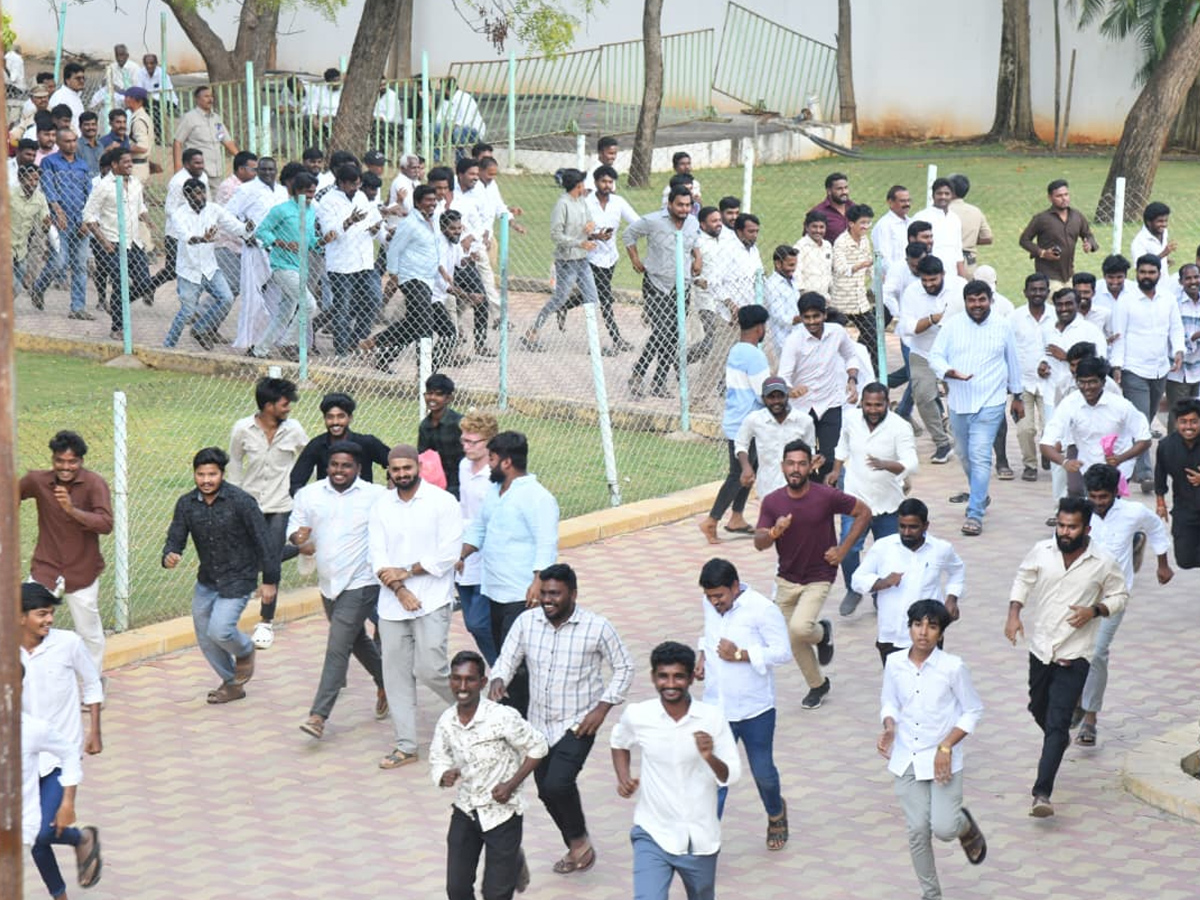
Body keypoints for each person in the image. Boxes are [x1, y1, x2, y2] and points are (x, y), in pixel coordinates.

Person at [489, 563, 633, 875]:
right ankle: (577, 845)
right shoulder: (527, 622)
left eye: (555, 594)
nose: (547, 600)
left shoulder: (597, 627)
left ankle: (579, 841)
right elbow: (507, 658)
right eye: (544, 594)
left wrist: (603, 707)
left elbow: (625, 667)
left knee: (558, 783)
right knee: (545, 791)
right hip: (539, 723)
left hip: (580, 722)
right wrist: (498, 678)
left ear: (573, 595)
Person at [1006, 497, 1128, 817]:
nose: (1064, 531)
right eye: (1061, 525)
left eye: (1072, 527)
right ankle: (1058, 739)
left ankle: (1042, 794)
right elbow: (1023, 578)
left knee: (1058, 723)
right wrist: (1014, 612)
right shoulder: (1041, 551)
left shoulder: (1102, 561)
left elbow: (1119, 595)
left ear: (1086, 528)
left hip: (1077, 654)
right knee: (1039, 710)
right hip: (1041, 649)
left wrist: (1095, 610)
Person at [610, 641, 740, 900]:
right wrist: (623, 778)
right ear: (653, 678)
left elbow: (731, 775)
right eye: (663, 676)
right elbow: (618, 741)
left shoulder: (711, 718)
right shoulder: (638, 715)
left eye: (678, 676)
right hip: (652, 832)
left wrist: (709, 756)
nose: (670, 684)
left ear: (692, 678)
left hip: (700, 839)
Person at [878, 599, 986, 900]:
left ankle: (964, 826)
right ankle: (931, 894)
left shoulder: (953, 667)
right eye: (917, 625)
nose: (923, 632)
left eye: (932, 626)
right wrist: (889, 726)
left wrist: (947, 746)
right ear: (910, 627)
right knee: (916, 831)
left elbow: (972, 711)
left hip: (942, 760)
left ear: (940, 632)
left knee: (944, 828)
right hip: (906, 759)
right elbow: (889, 701)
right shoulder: (894, 663)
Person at [754, 439, 871, 709]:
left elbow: (864, 512)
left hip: (819, 575)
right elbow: (759, 543)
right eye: (791, 463)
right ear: (783, 467)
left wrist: (842, 551)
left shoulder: (824, 496)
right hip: (786, 579)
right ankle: (818, 684)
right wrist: (774, 532)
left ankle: (821, 634)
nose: (796, 469)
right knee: (791, 639)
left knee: (799, 628)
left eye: (802, 464)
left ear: (811, 466)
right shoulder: (773, 502)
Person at [369, 443, 462, 768]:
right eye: (396, 470)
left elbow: (450, 553)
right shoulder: (381, 506)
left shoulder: (442, 502)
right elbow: (376, 557)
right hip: (392, 604)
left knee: (430, 668)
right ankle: (406, 745)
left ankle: (472, 711)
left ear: (418, 468)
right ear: (390, 473)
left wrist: (408, 572)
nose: (402, 474)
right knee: (394, 675)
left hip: (433, 599)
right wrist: (399, 589)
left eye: (407, 468)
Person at [290, 441, 389, 739]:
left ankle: (318, 715)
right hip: (328, 585)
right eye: (334, 464)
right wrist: (299, 539)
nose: (339, 470)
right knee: (356, 639)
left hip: (362, 583)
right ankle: (389, 683)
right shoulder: (310, 495)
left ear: (358, 468)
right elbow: (296, 531)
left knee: (338, 645)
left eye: (346, 465)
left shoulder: (376, 496)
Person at [430, 650, 548, 900]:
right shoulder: (446, 721)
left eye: (470, 679)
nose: (462, 686)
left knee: (495, 894)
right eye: (456, 679)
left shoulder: (501, 717)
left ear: (482, 683)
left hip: (502, 813)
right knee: (457, 890)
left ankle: (511, 860)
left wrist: (511, 784)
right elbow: (438, 757)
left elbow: (538, 746)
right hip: (466, 809)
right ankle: (513, 860)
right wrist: (444, 774)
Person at [162, 447, 276, 703]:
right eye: (200, 474)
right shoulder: (187, 504)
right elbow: (175, 538)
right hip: (208, 580)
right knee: (205, 636)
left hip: (239, 578)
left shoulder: (241, 502)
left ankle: (245, 650)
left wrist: (270, 580)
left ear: (222, 474)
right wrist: (170, 554)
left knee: (221, 631)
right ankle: (232, 682)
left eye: (211, 474)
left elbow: (264, 542)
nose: (206, 480)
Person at [460, 431, 560, 718]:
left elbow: (546, 542)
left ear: (505, 462)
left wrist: (538, 581)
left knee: (517, 658)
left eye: (491, 459)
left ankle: (517, 715)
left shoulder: (537, 497)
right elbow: (480, 527)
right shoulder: (495, 492)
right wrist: (463, 554)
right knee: (503, 651)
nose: (487, 464)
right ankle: (513, 705)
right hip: (493, 588)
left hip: (521, 593)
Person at [1072, 464, 1172, 748]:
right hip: (1080, 592)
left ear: (1115, 492)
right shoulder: (1080, 511)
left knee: (1097, 652)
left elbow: (1156, 527)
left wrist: (1163, 564)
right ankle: (1077, 699)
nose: (1099, 502)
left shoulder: (1133, 512)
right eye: (1094, 496)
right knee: (1073, 649)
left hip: (1115, 595)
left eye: (1104, 497)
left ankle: (1090, 717)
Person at [696, 559, 791, 850]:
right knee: (716, 776)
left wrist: (741, 654)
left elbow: (782, 652)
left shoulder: (763, 609)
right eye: (710, 597)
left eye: (720, 597)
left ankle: (776, 812)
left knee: (763, 772)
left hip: (755, 709)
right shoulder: (709, 604)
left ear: (735, 587)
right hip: (717, 708)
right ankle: (706, 841)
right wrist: (702, 656)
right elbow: (709, 633)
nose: (715, 603)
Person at [20, 581, 105, 897]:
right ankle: (64, 884)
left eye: (51, 614)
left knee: (41, 833)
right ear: (20, 617)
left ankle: (79, 840)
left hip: (61, 752)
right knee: (33, 834)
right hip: (28, 756)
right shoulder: (7, 652)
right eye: (42, 614)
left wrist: (95, 730)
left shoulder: (68, 644)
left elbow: (92, 684)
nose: (49, 620)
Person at [929, 279, 1025, 536]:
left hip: (991, 401)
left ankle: (974, 513)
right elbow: (935, 356)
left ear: (990, 300)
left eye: (982, 300)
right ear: (966, 302)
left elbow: (1013, 362)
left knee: (981, 454)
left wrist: (1017, 396)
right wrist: (949, 372)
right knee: (964, 453)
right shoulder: (952, 326)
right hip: (959, 401)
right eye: (972, 300)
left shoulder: (1003, 327)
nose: (977, 305)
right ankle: (979, 493)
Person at [19, 430, 113, 676]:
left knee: (89, 633)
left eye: (72, 462)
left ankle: (94, 684)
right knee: (27, 621)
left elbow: (105, 524)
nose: (65, 467)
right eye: (59, 461)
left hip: (82, 571)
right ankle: (30, 681)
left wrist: (71, 510)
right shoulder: (38, 481)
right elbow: (11, 495)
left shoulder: (94, 484)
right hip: (45, 568)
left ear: (81, 461)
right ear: (53, 460)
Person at [228, 377, 308, 648]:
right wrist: (234, 497)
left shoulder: (294, 429)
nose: (289, 409)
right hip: (250, 503)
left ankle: (265, 622)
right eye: (285, 404)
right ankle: (303, 548)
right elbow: (236, 462)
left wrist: (302, 490)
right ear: (268, 405)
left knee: (270, 563)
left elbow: (307, 456)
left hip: (282, 503)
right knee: (255, 558)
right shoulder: (242, 428)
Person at [826, 382, 919, 615]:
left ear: (887, 403)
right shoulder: (851, 420)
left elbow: (912, 463)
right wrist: (836, 470)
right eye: (868, 404)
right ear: (862, 404)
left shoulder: (900, 427)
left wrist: (887, 465)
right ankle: (854, 588)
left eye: (879, 405)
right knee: (847, 548)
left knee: (887, 553)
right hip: (855, 501)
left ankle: (881, 593)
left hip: (888, 504)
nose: (873, 409)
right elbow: (842, 446)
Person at [853, 497, 965, 658]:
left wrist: (952, 598)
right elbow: (857, 580)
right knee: (896, 682)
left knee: (929, 681)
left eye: (913, 527)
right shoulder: (883, 547)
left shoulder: (941, 549)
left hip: (929, 634)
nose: (906, 532)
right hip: (891, 634)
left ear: (926, 526)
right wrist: (883, 583)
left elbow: (957, 570)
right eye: (902, 526)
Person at [1111, 254, 1186, 491]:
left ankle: (1131, 458)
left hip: (1160, 368)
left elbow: (1175, 327)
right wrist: (1117, 366)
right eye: (1142, 272)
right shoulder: (1126, 300)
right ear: (1136, 273)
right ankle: (1144, 473)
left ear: (1158, 274)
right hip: (1134, 368)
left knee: (1149, 415)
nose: (1146, 277)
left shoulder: (1168, 299)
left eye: (1151, 273)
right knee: (1142, 419)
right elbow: (1118, 335)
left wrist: (1179, 350)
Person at [699, 305, 770, 543]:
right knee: (738, 474)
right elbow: (764, 393)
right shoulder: (756, 355)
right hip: (747, 422)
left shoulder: (737, 350)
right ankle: (712, 520)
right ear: (760, 328)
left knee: (751, 469)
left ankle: (737, 516)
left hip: (736, 417)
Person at [624, 185, 701, 399]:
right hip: (656, 284)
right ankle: (638, 374)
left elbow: (694, 242)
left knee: (674, 334)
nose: (684, 209)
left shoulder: (693, 222)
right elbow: (628, 235)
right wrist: (635, 260)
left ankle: (659, 382)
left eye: (688, 205)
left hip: (682, 285)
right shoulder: (653, 221)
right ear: (670, 204)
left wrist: (698, 258)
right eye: (680, 205)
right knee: (662, 331)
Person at [1039, 355, 1152, 501]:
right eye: (1082, 382)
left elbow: (1145, 439)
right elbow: (1045, 444)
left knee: (1111, 511)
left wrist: (1120, 459)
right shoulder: (1069, 404)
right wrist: (1065, 462)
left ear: (1103, 382)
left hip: (1119, 470)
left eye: (1092, 382)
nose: (1087, 388)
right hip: (1088, 470)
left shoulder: (1121, 405)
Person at [777, 292, 861, 479]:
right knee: (802, 460)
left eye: (816, 316)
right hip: (802, 408)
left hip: (830, 403)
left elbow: (851, 356)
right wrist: (791, 390)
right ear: (801, 317)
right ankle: (808, 501)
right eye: (806, 317)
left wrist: (852, 380)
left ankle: (827, 502)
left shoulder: (837, 333)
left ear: (824, 314)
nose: (812, 322)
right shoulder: (794, 341)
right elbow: (783, 376)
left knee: (829, 460)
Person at [161, 177, 248, 350]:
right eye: (197, 194)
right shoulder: (179, 214)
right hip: (189, 270)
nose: (202, 197)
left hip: (210, 268)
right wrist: (203, 238)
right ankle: (168, 346)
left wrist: (248, 228)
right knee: (187, 311)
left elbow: (235, 226)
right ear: (187, 195)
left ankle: (200, 329)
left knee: (227, 298)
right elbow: (187, 237)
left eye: (203, 193)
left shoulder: (213, 210)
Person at [251, 171, 330, 359]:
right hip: (282, 265)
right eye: (307, 192)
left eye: (313, 192)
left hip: (300, 266)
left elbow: (310, 241)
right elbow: (261, 231)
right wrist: (281, 243)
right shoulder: (281, 210)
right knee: (309, 304)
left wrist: (323, 241)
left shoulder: (310, 212)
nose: (311, 196)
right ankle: (287, 343)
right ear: (296, 191)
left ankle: (259, 350)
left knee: (284, 314)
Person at [521, 168, 599, 352]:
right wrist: (579, 243)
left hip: (582, 259)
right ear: (577, 185)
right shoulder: (562, 204)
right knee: (559, 299)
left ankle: (593, 341)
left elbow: (590, 219)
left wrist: (591, 225)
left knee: (592, 298)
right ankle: (533, 330)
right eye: (582, 183)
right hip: (567, 260)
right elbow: (556, 235)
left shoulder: (581, 201)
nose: (584, 187)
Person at [83, 147, 156, 338]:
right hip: (113, 242)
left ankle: (116, 304)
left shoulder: (135, 184)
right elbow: (88, 215)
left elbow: (141, 207)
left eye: (130, 161)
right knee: (120, 282)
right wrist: (104, 241)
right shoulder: (104, 186)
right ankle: (117, 327)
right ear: (114, 165)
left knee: (144, 284)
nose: (130, 164)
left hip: (134, 242)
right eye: (125, 162)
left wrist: (148, 220)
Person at [370, 184, 441, 372]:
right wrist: (393, 274)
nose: (432, 204)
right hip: (411, 278)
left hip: (428, 278)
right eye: (428, 200)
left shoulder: (434, 221)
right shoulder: (409, 224)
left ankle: (380, 348)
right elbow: (394, 248)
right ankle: (424, 369)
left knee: (414, 322)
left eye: (434, 200)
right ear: (418, 203)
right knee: (425, 323)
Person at [317, 162, 384, 355]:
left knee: (374, 299)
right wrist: (348, 222)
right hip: (341, 263)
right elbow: (329, 232)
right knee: (343, 306)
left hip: (364, 260)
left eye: (358, 184)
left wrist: (374, 229)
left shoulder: (361, 197)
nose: (356, 188)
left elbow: (370, 222)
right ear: (341, 182)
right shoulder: (328, 201)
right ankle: (341, 350)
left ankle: (355, 340)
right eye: (352, 185)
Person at [575, 164, 639, 353]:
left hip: (610, 258)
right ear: (595, 183)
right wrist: (595, 236)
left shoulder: (618, 202)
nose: (607, 185)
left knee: (592, 296)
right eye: (603, 181)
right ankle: (615, 339)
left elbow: (637, 222)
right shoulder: (585, 203)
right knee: (605, 298)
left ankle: (560, 306)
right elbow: (574, 232)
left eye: (610, 182)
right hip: (589, 257)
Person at [33, 127, 93, 320]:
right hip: (59, 221)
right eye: (67, 141)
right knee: (59, 261)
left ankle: (77, 307)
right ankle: (39, 287)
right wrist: (58, 212)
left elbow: (89, 194)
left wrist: (87, 219)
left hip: (80, 220)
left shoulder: (82, 165)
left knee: (80, 265)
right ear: (58, 143)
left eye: (74, 140)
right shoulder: (49, 162)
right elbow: (48, 188)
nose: (72, 144)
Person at [456, 411, 501, 663]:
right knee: (471, 620)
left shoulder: (495, 475)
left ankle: (500, 666)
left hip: (487, 554)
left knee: (478, 621)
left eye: (474, 442)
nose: (467, 447)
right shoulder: (463, 466)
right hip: (464, 551)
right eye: (464, 441)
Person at [734, 375, 816, 502]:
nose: (776, 401)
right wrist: (746, 467)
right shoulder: (754, 419)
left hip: (797, 485)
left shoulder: (804, 420)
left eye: (780, 396)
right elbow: (740, 443)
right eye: (771, 397)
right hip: (767, 486)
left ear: (787, 396)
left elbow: (810, 448)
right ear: (763, 399)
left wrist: (812, 461)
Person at [290, 392, 391, 493]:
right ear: (324, 418)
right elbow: (296, 481)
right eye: (330, 417)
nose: (335, 422)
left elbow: (396, 463)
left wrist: (391, 492)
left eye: (341, 416)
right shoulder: (317, 445)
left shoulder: (367, 443)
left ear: (350, 418)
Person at [1018, 179, 1099, 290]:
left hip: (1069, 276)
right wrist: (1042, 253)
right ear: (1050, 198)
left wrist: (1089, 244)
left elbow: (1088, 235)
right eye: (1059, 196)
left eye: (1066, 194)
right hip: (1048, 276)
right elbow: (1024, 240)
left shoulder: (1077, 216)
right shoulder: (1042, 219)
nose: (1064, 198)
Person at [1154, 397, 1200, 569]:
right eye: (1184, 422)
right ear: (1176, 423)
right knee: (1184, 560)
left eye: (1194, 422)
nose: (1188, 427)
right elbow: (1160, 475)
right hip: (1184, 509)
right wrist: (1160, 503)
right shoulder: (1166, 446)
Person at [829, 203, 877, 350]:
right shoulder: (840, 243)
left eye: (868, 222)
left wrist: (877, 276)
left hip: (860, 300)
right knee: (834, 339)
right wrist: (862, 265)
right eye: (862, 223)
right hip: (842, 300)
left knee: (873, 334)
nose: (866, 226)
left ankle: (872, 368)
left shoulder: (864, 240)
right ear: (851, 223)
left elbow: (871, 266)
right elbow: (841, 269)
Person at [173, 85, 239, 179]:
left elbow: (226, 141)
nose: (210, 99)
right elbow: (178, 142)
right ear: (197, 99)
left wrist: (241, 158)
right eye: (206, 96)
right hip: (197, 172)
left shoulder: (216, 118)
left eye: (211, 96)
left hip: (216, 171)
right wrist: (177, 167)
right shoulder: (189, 118)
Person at [419, 373, 465, 497]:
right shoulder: (425, 426)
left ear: (448, 398)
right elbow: (423, 456)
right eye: (429, 393)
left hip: (459, 481)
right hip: (435, 481)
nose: (432, 398)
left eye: (438, 394)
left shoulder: (459, 423)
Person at [1166, 263, 1200, 425]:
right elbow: (1174, 338)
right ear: (1181, 282)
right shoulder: (1175, 304)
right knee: (1178, 418)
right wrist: (1194, 338)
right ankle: (1173, 451)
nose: (1193, 281)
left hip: (1198, 369)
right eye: (1188, 278)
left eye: (1196, 277)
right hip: (1180, 372)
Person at [913, 178, 966, 278]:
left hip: (951, 274)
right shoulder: (921, 217)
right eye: (939, 193)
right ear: (933, 195)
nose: (943, 197)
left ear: (952, 196)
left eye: (947, 193)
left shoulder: (955, 219)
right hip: (929, 275)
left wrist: (962, 279)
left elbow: (958, 252)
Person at [947, 173, 993, 277]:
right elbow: (988, 238)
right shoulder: (975, 211)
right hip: (969, 263)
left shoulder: (944, 211)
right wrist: (970, 240)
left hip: (948, 261)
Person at [872, 184, 912, 277]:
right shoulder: (884, 225)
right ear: (890, 202)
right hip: (892, 279)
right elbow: (883, 258)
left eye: (908, 200)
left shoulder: (911, 223)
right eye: (902, 201)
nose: (907, 204)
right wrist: (897, 277)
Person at [1129, 201, 1176, 279]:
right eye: (1160, 221)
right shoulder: (1139, 242)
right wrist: (1163, 254)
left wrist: (1165, 260)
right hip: (1148, 286)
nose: (1164, 224)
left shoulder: (1164, 232)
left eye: (1166, 221)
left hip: (1164, 282)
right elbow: (1142, 266)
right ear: (1149, 222)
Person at [794, 210, 833, 299]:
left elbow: (830, 272)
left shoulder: (827, 245)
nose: (818, 231)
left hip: (826, 297)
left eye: (821, 227)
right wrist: (803, 295)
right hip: (807, 297)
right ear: (806, 227)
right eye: (814, 227)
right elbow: (797, 274)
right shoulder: (800, 247)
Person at [809, 171, 854, 243]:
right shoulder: (818, 212)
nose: (844, 192)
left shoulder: (854, 208)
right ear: (829, 191)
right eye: (839, 189)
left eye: (846, 188)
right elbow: (809, 242)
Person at [48, 62, 86, 133]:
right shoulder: (60, 97)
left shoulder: (75, 96)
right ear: (67, 80)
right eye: (78, 78)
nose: (82, 81)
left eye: (83, 78)